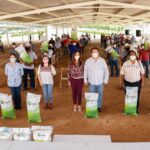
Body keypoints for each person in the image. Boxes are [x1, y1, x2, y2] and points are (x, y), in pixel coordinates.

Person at [84, 47, 109, 112]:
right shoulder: (88, 61)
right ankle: (92, 106)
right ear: (91, 53)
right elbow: (85, 71)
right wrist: (85, 80)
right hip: (91, 82)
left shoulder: (102, 60)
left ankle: (99, 106)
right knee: (92, 94)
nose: (94, 53)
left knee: (100, 94)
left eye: (96, 52)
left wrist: (106, 80)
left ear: (98, 53)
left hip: (100, 82)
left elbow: (106, 71)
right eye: (93, 52)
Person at [120, 48, 145, 114]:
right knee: (128, 96)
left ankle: (136, 109)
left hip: (137, 83)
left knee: (136, 96)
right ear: (129, 55)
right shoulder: (125, 63)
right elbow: (122, 74)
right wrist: (122, 83)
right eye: (131, 54)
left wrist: (142, 82)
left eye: (133, 54)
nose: (132, 55)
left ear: (136, 55)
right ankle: (128, 109)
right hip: (127, 82)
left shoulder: (139, 63)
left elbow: (142, 73)